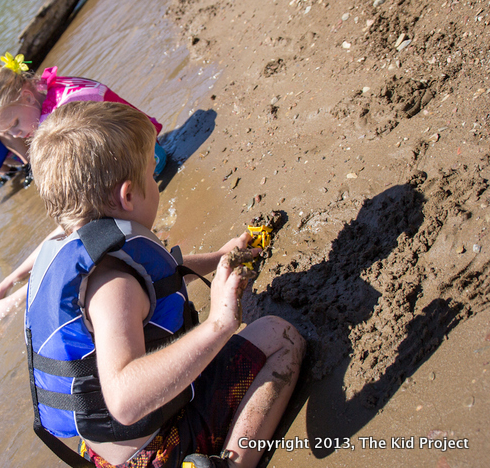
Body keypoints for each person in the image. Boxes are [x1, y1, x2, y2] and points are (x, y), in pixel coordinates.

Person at [21, 100, 305, 468]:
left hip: (105, 455)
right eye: (152, 178)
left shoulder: (76, 251)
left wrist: (220, 257)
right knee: (279, 336)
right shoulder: (114, 286)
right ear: (127, 196)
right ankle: (233, 462)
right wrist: (220, 323)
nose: (156, 186)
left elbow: (166, 274)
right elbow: (124, 401)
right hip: (160, 449)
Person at [0, 52, 169, 175]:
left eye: (15, 124)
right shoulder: (51, 86)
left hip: (147, 159)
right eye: (7, 132)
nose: (15, 135)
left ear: (28, 98)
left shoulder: (58, 116)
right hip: (146, 140)